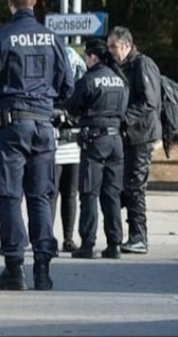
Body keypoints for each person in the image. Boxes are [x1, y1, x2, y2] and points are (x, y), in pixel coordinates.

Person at [0, 0, 74, 291]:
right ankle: (42, 271)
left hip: (13, 125)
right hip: (44, 125)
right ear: (35, 1)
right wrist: (47, 103)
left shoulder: (2, 38)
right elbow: (68, 85)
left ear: (10, 1)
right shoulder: (53, 38)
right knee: (41, 195)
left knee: (9, 194)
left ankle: (14, 268)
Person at [63, 40, 129, 260]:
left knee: (89, 194)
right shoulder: (120, 79)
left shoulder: (89, 79)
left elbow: (72, 107)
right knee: (112, 195)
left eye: (87, 57)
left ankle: (88, 244)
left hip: (95, 141)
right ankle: (114, 244)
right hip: (116, 141)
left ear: (92, 57)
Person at [106, 26, 161, 254]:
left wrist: (123, 120)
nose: (110, 51)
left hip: (142, 135)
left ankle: (139, 236)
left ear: (127, 45)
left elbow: (149, 101)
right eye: (108, 46)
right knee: (124, 186)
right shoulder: (120, 67)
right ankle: (125, 234)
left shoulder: (142, 64)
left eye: (113, 46)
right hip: (128, 135)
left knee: (135, 187)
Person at [50, 44, 87, 254]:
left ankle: (68, 238)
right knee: (51, 194)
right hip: (54, 146)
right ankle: (49, 238)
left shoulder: (81, 88)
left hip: (73, 147)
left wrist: (70, 119)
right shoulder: (50, 86)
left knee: (70, 194)